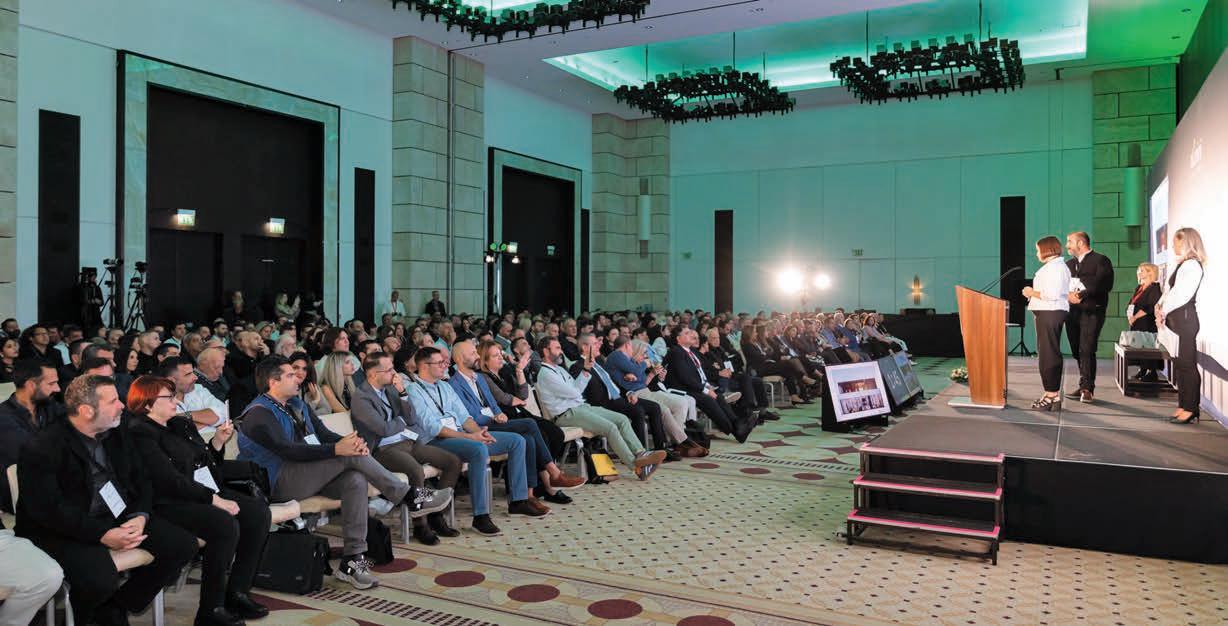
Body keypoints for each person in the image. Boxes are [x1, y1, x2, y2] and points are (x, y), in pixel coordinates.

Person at [237, 356, 438, 590]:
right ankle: (409, 495)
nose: (298, 378)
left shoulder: (296, 404)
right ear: (273, 382)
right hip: (278, 481)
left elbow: (323, 434)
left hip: (307, 474)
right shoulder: (258, 413)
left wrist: (350, 443)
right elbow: (288, 450)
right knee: (347, 456)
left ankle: (353, 560)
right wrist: (339, 449)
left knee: (355, 479)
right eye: (290, 375)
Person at [16, 375, 197, 625]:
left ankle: (117, 606)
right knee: (99, 578)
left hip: (114, 516)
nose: (122, 405)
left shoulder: (116, 431)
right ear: (86, 410)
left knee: (181, 545)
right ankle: (89, 616)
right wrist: (101, 534)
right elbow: (49, 510)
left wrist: (140, 516)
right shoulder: (43, 446)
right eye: (112, 401)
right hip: (61, 529)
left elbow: (142, 479)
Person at [126, 376, 270, 626]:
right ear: (147, 403)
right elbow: (167, 479)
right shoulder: (141, 432)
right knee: (223, 524)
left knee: (258, 513)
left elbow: (206, 464)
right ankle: (210, 609)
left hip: (200, 491)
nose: (175, 401)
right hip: (168, 501)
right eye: (168, 397)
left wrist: (217, 442)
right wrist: (213, 500)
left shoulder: (180, 424)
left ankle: (237, 592)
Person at [405, 347, 545, 536]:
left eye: (444, 362)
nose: (445, 366)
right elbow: (433, 428)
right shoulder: (413, 390)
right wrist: (471, 437)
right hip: (435, 441)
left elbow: (465, 418)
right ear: (424, 366)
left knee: (517, 441)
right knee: (478, 449)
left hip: (461, 436)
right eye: (440, 363)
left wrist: (479, 432)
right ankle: (481, 516)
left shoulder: (444, 386)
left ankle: (518, 501)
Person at [449, 341, 585, 504]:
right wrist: (494, 417)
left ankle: (529, 495)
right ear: (459, 358)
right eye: (473, 353)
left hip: (499, 419)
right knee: (529, 424)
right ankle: (554, 474)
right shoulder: (454, 384)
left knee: (530, 438)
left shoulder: (479, 378)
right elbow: (469, 415)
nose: (477, 355)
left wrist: (499, 413)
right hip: (481, 426)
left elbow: (494, 403)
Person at [349, 351, 460, 545]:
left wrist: (402, 393)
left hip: (407, 441)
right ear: (373, 374)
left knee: (452, 461)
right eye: (389, 370)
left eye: (393, 368)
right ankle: (420, 526)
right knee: (415, 471)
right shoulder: (361, 398)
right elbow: (383, 429)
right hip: (383, 449)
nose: (394, 373)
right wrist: (401, 421)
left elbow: (411, 418)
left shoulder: (391, 389)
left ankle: (436, 515)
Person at [535, 337, 666, 480]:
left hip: (581, 407)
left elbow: (576, 389)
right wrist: (584, 374)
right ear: (546, 351)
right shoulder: (546, 374)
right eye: (557, 348)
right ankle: (637, 467)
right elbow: (575, 392)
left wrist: (585, 371)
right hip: (566, 414)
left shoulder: (559, 369)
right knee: (610, 428)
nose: (561, 352)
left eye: (560, 348)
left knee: (622, 419)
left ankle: (641, 453)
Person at [665, 329, 757, 443]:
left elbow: (700, 372)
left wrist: (707, 386)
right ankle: (737, 430)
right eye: (687, 333)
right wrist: (705, 389)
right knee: (709, 399)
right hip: (681, 388)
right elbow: (685, 377)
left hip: (694, 386)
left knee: (719, 397)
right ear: (678, 339)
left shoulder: (691, 351)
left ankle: (737, 425)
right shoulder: (676, 352)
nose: (691, 335)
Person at [1157, 227, 1207, 424]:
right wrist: (1159, 307)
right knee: (1179, 364)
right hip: (1176, 319)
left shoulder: (1192, 265)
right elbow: (1169, 291)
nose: (1173, 247)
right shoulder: (1183, 264)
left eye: (1176, 243)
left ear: (1187, 243)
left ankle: (1191, 408)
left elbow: (1181, 295)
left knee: (1187, 365)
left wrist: (1162, 311)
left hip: (1184, 321)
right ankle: (1183, 404)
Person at [0, 360, 63, 513]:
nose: (58, 388)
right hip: (24, 493)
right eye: (51, 383)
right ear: (31, 385)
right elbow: (34, 453)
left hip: (55, 482)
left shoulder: (48, 405)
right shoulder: (3, 417)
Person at [1064, 231, 1115, 403]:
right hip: (1072, 312)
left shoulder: (1101, 260)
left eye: (1069, 241)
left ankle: (1087, 388)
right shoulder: (1068, 264)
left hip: (1092, 311)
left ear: (1080, 243)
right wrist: (1068, 295)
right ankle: (1083, 384)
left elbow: (1105, 283)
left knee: (1087, 348)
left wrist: (1080, 295)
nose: (1067, 245)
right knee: (1076, 349)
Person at [1023, 236, 1072, 411]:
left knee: (1048, 353)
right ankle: (1051, 393)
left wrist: (1031, 292)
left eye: (1038, 250)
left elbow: (1051, 294)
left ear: (1046, 249)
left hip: (1050, 312)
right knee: (1047, 352)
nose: (1037, 253)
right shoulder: (1055, 267)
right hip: (1049, 312)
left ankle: (1052, 395)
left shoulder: (1056, 268)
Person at [1127, 262, 1163, 382]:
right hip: (1136, 322)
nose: (1139, 272)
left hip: (1147, 322)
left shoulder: (1154, 288)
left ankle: (1152, 372)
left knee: (1148, 345)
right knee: (1139, 346)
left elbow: (1150, 307)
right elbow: (1132, 303)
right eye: (1139, 270)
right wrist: (1130, 316)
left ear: (1150, 272)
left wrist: (1135, 317)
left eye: (1142, 270)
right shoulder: (1139, 288)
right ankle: (1142, 369)